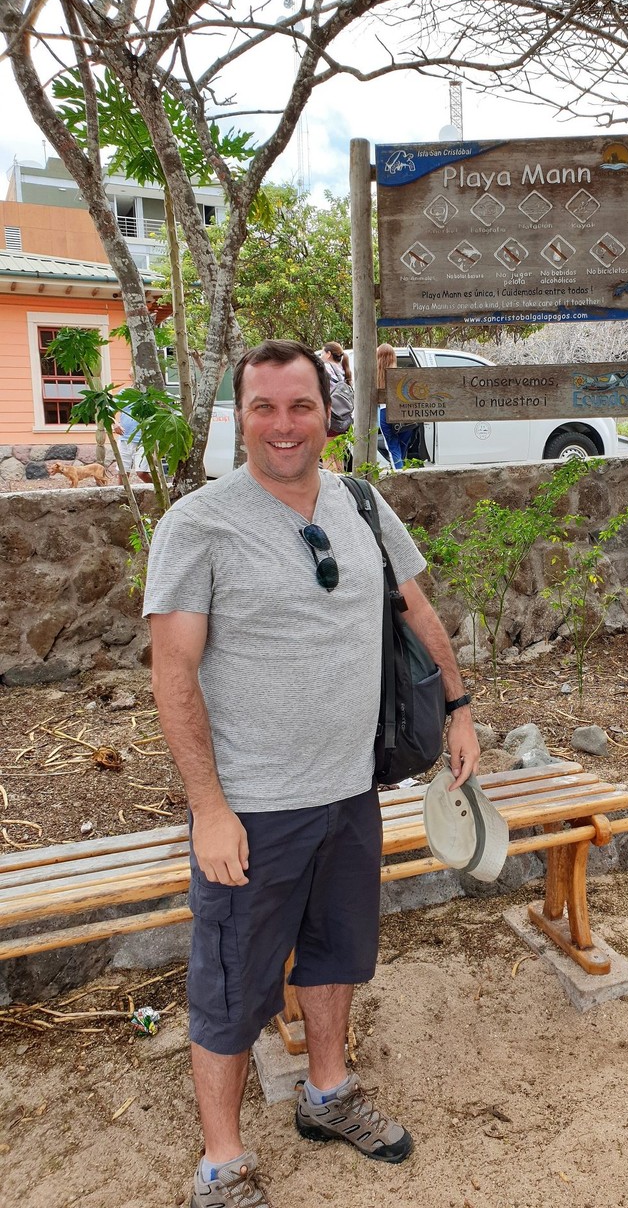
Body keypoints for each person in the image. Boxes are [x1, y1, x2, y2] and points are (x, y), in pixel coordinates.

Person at [143, 339, 479, 1208]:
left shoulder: (362, 503)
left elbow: (418, 607)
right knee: (230, 986)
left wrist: (460, 707)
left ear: (326, 415)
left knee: (335, 956)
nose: (284, 425)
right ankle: (222, 1163)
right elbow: (173, 672)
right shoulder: (199, 524)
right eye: (265, 407)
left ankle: (327, 1094)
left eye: (301, 407)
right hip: (252, 808)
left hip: (349, 787)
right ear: (241, 416)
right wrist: (208, 808)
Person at [376, 342, 415, 469]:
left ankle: (399, 474)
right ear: (393, 357)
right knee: (402, 448)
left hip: (385, 413)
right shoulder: (401, 375)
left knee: (393, 449)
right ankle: (403, 471)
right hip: (404, 413)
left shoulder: (374, 376)